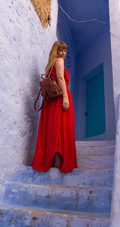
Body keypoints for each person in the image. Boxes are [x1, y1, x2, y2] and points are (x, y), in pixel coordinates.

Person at [31, 41, 78, 173]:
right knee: (62, 128)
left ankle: (53, 160)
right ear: (55, 51)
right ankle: (59, 161)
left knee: (54, 128)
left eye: (65, 51)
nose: (63, 53)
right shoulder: (59, 61)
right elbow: (61, 79)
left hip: (51, 102)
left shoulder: (49, 66)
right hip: (59, 99)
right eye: (61, 50)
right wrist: (65, 97)